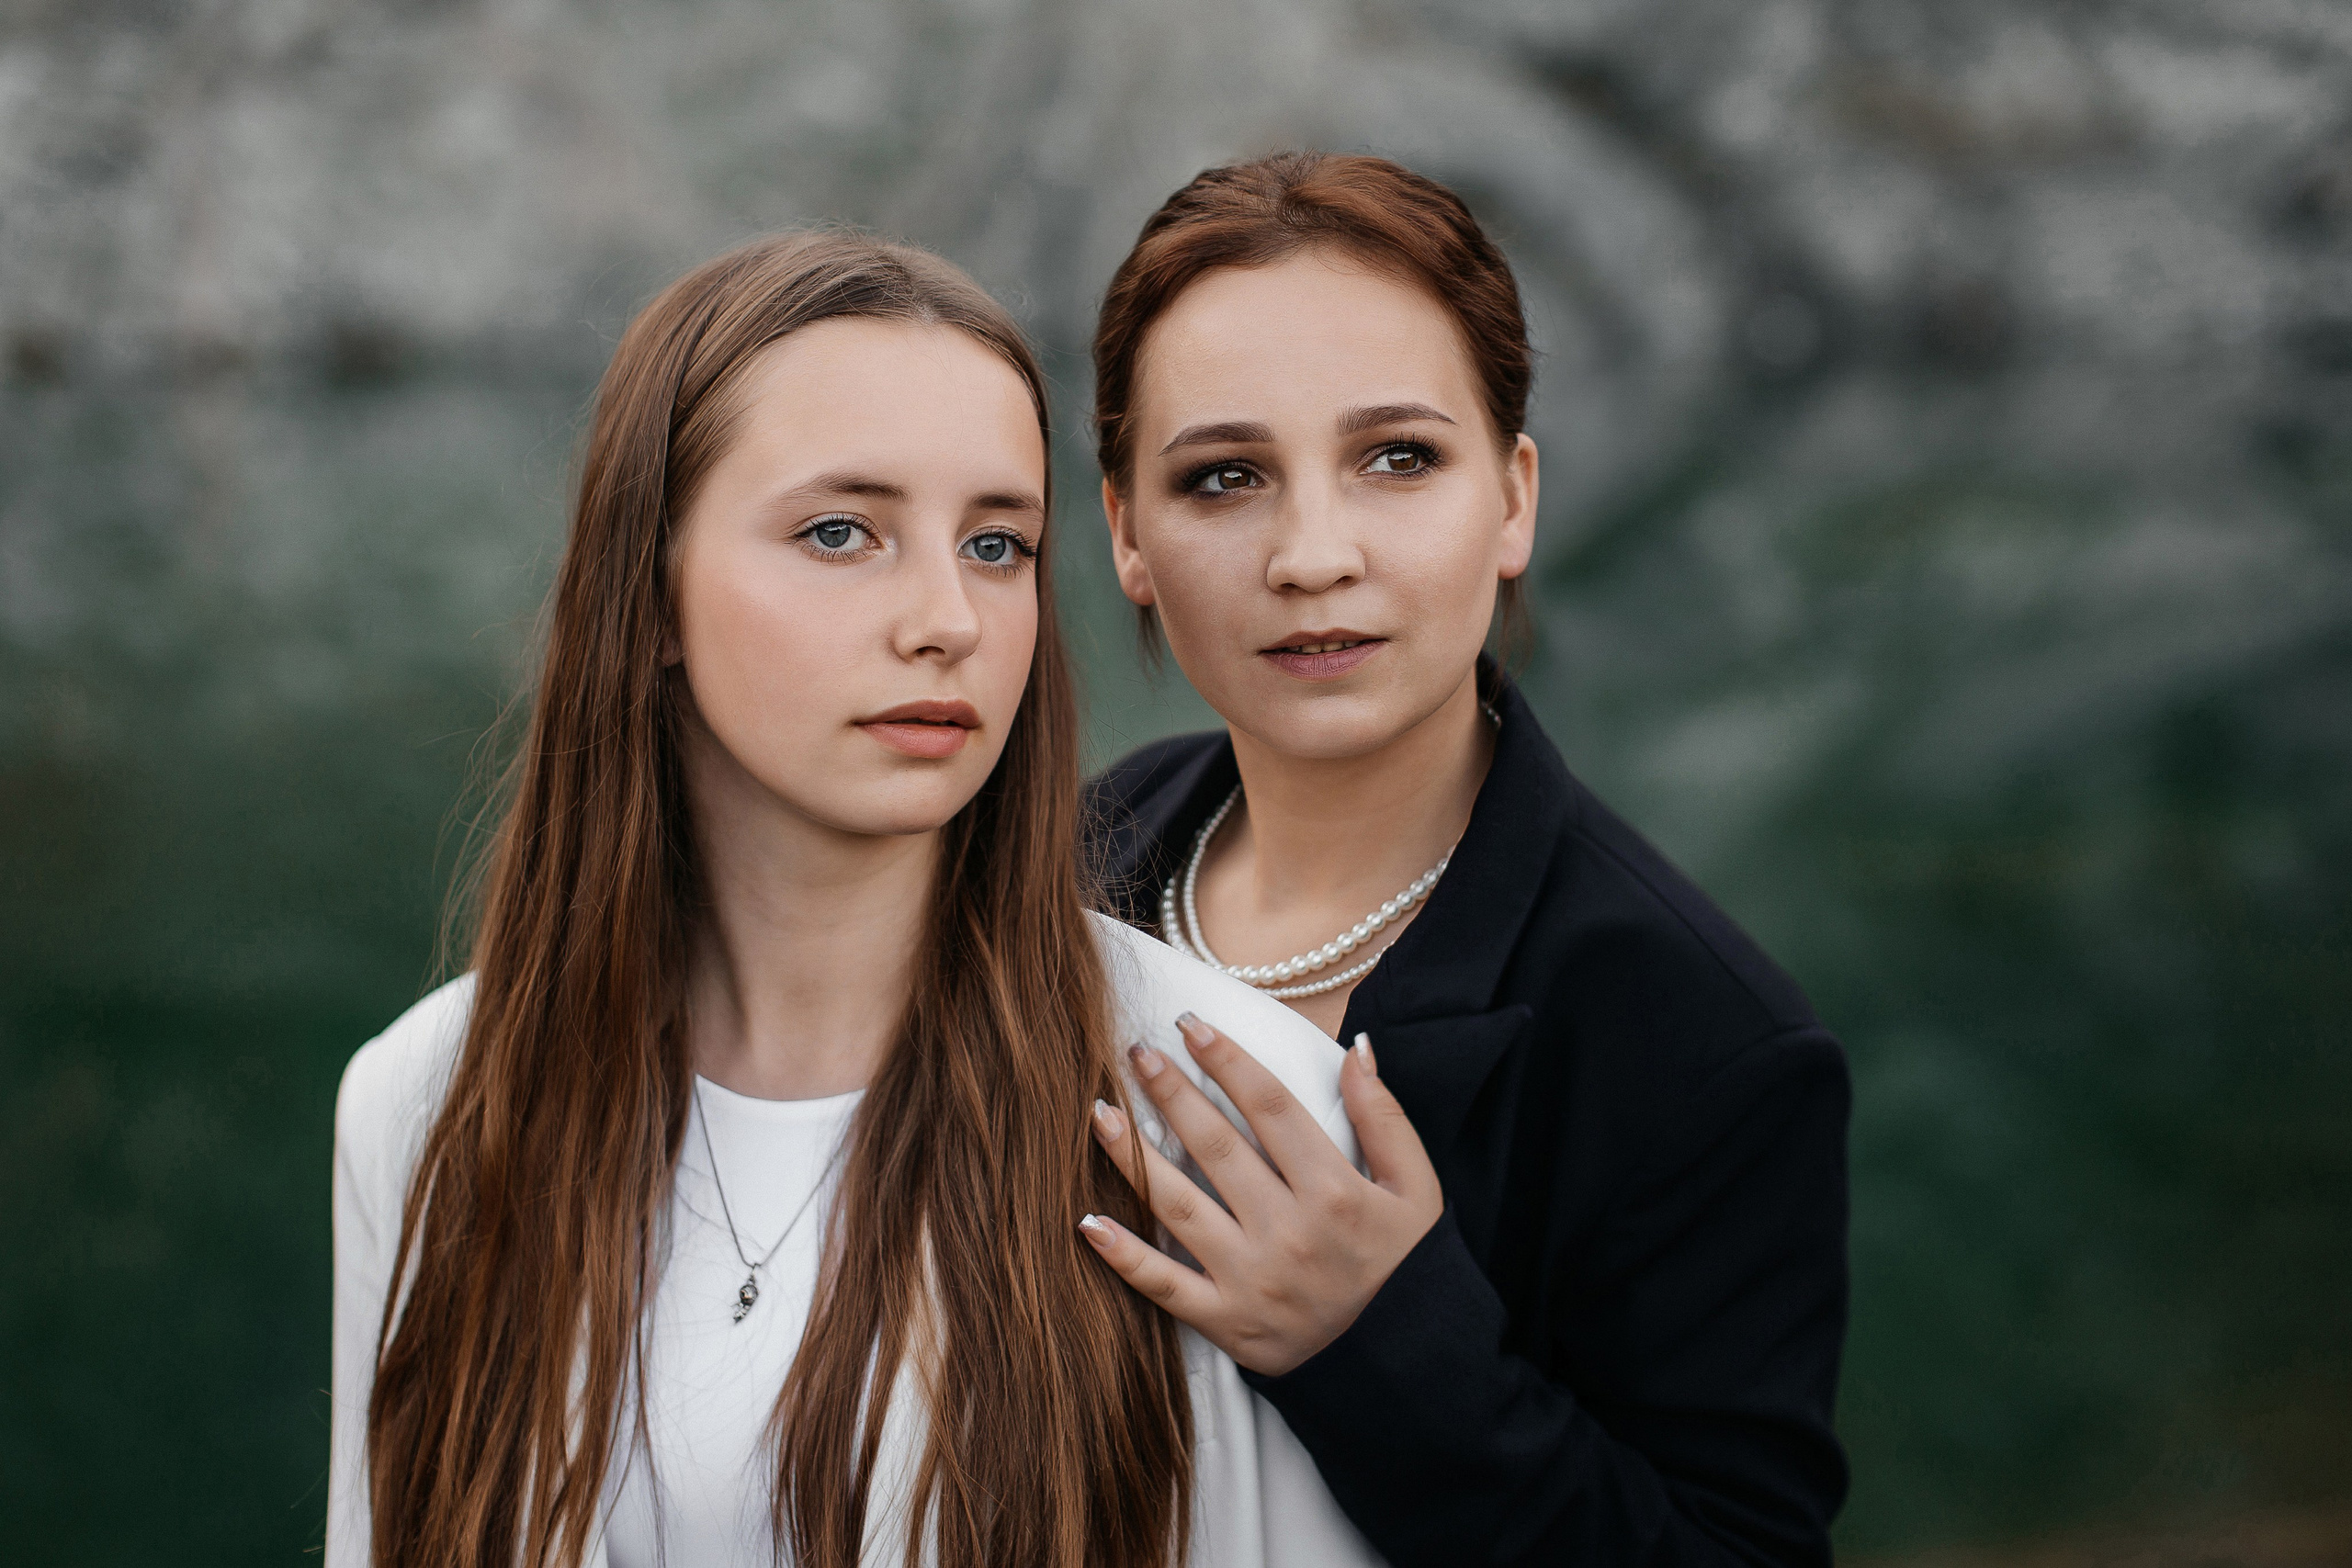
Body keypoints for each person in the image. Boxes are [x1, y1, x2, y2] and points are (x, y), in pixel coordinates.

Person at [328, 231, 1395, 1568]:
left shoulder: (1221, 1110)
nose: (947, 616)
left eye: (998, 544)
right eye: (842, 533)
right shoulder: (426, 1100)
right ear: (648, 593)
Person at [1078, 152, 1853, 1567]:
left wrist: (1378, 1343)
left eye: (1397, 458)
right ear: (1129, 531)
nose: (1312, 555)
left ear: (1512, 500)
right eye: (1226, 477)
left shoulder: (1699, 1038)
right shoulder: (1065, 868)